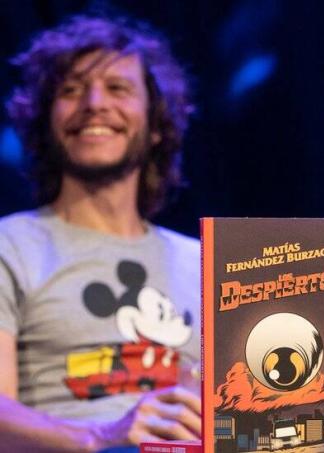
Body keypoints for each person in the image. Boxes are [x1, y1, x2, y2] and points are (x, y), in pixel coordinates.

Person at [0, 15, 201, 451]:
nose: (94, 103)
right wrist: (101, 437)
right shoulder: (9, 246)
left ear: (156, 125)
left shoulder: (207, 261)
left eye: (117, 88)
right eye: (70, 90)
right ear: (45, 121)